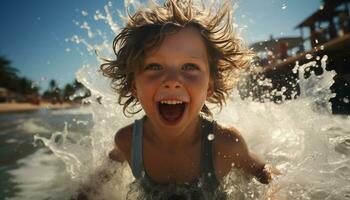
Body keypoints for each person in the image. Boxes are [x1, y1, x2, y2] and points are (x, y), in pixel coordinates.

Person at [80, 0, 278, 199]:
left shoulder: (225, 143)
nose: (172, 81)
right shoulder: (128, 141)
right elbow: (100, 178)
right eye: (155, 66)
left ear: (209, 87)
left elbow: (264, 171)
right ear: (134, 86)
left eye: (189, 67)